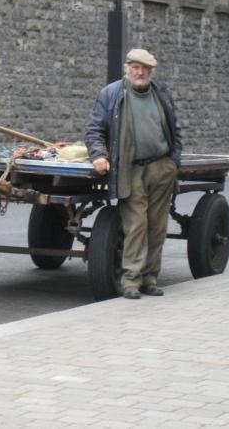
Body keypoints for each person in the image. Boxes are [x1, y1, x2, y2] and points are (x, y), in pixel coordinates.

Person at [84, 48, 182, 299]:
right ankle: (131, 281)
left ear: (151, 70)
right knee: (136, 225)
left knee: (157, 227)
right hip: (130, 168)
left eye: (145, 68)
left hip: (161, 167)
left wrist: (174, 161)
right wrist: (99, 156)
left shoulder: (160, 93)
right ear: (127, 67)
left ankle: (150, 278)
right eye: (135, 67)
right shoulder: (112, 94)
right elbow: (94, 129)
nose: (140, 72)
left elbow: (175, 128)